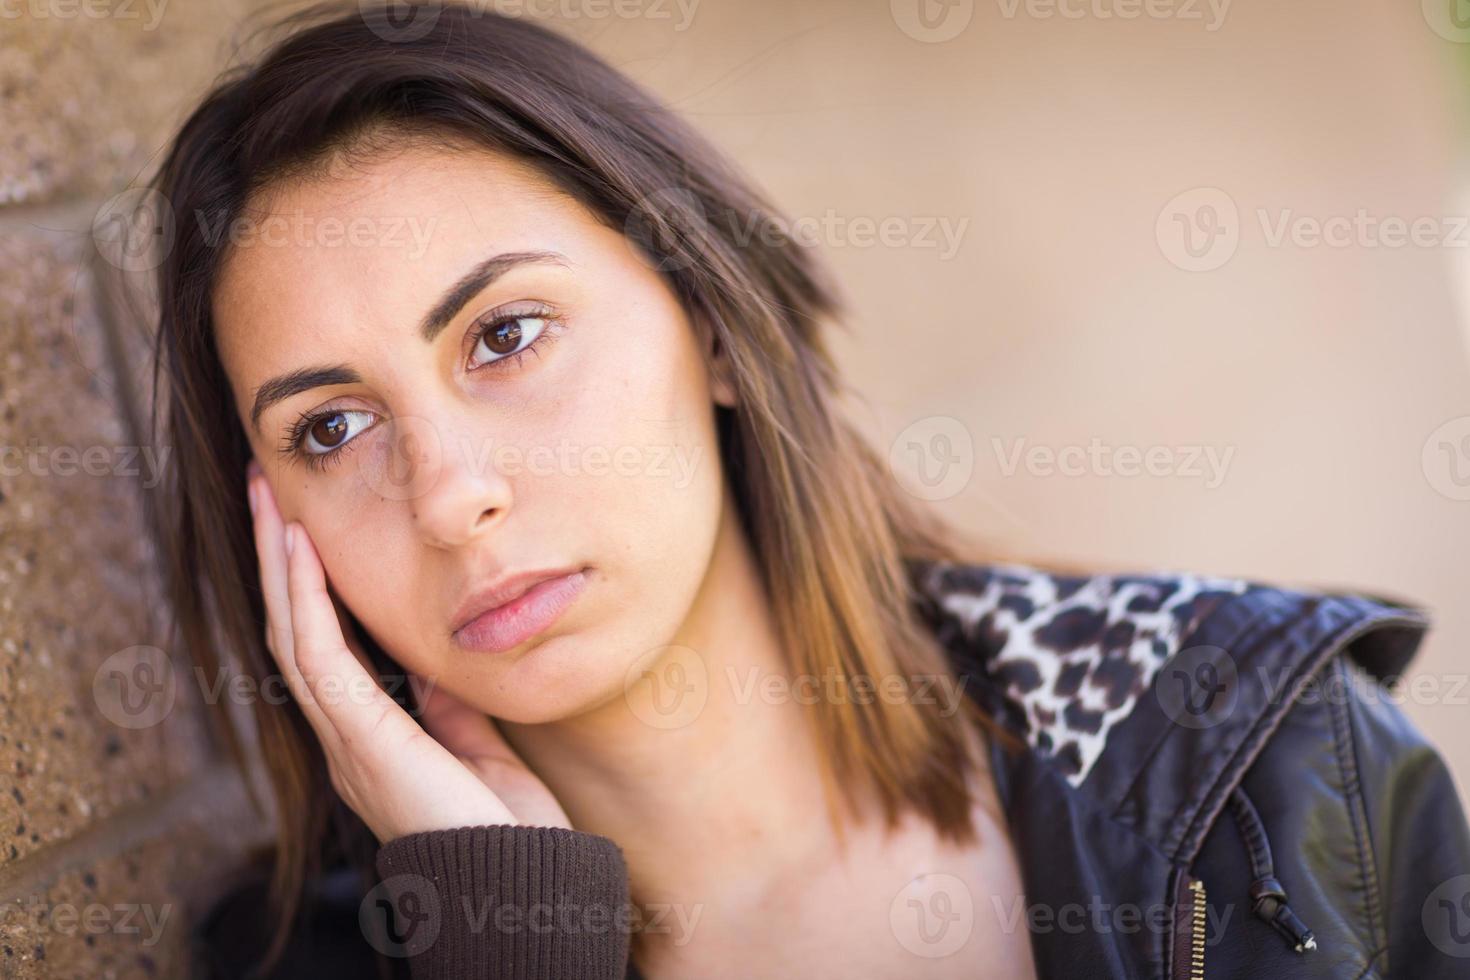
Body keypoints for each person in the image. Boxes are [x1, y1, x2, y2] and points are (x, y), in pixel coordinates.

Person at [144, 4, 1470, 977]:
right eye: (331, 426)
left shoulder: (1258, 764)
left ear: (711, 327)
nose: (446, 496)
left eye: (505, 336)